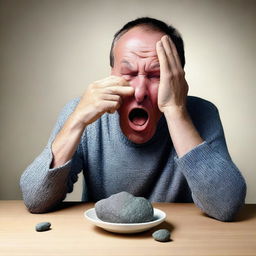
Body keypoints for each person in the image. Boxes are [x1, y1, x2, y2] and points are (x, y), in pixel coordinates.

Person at [20, 17, 246, 221]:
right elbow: (35, 199)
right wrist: (77, 120)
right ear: (111, 75)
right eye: (127, 74)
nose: (139, 92)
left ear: (177, 79)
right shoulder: (83, 114)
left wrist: (176, 111)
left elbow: (226, 206)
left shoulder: (202, 113)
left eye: (156, 76)